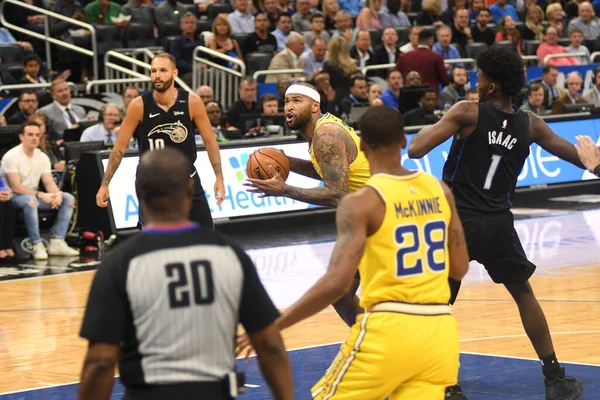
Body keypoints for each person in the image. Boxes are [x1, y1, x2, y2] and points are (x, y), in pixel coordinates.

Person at [239, 106, 469, 399]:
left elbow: (336, 284)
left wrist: (275, 326)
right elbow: (460, 268)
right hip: (440, 334)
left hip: (389, 328)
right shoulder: (440, 190)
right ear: (402, 141)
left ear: (361, 146)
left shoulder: (361, 203)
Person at [407, 46, 584, 400]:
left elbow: (415, 149)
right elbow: (576, 155)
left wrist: (449, 122)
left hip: (459, 224)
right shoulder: (531, 123)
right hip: (499, 224)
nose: (476, 80)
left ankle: (444, 384)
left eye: (480, 76)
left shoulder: (466, 112)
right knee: (523, 294)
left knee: (438, 306)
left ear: (493, 84)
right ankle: (554, 379)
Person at [80, 148, 293, 400]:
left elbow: (101, 361)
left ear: (138, 192)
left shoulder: (120, 263)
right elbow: (269, 344)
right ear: (191, 191)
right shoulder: (229, 255)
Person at [244, 82, 370, 326]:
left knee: (355, 293)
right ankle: (372, 338)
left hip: (381, 217)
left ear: (315, 106)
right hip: (367, 217)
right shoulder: (318, 133)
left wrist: (285, 190)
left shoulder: (326, 135)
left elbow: (337, 193)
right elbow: (331, 172)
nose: (289, 106)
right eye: (287, 101)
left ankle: (379, 339)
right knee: (341, 294)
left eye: (296, 101)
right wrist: (286, 162)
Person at [96, 53, 225, 228]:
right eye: (153, 71)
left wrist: (219, 177)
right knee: (155, 244)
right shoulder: (138, 105)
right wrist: (105, 184)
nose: (157, 75)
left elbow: (210, 141)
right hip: (152, 183)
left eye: (163, 70)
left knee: (207, 238)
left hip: (187, 181)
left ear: (175, 73)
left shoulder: (192, 102)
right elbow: (119, 148)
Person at [1, 121, 79, 260]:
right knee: (31, 201)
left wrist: (57, 195)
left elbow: (49, 182)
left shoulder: (42, 156)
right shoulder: (11, 156)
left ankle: (57, 241)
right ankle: (36, 244)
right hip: (13, 198)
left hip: (35, 196)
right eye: (30, 135)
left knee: (68, 198)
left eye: (37, 135)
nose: (34, 138)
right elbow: (16, 187)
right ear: (21, 137)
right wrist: (41, 195)